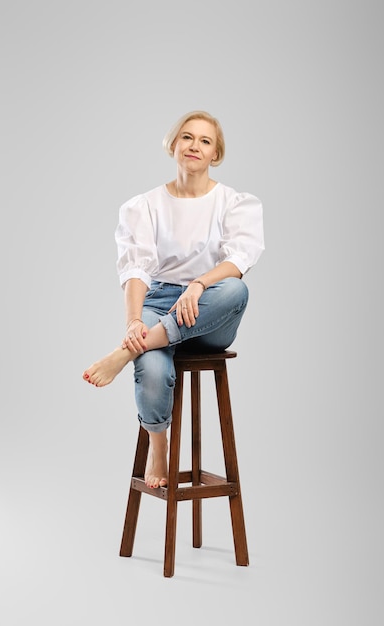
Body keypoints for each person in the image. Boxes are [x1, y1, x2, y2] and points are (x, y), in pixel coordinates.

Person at [82, 110, 264, 489]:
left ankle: (127, 351)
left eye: (205, 140)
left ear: (216, 153)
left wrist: (198, 285)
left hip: (209, 310)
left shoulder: (234, 203)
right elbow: (135, 272)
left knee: (237, 290)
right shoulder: (144, 206)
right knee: (150, 367)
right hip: (161, 300)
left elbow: (238, 262)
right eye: (186, 137)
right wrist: (134, 321)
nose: (194, 146)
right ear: (173, 145)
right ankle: (158, 446)